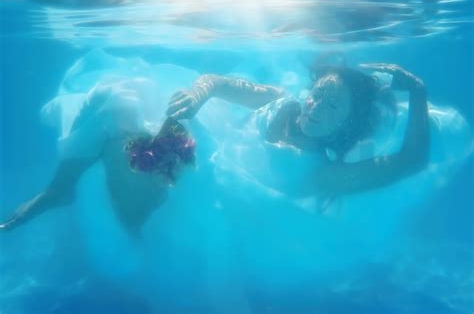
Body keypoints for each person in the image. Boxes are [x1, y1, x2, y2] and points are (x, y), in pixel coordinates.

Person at [166, 63, 430, 201]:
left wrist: (418, 91)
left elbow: (412, 161)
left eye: (333, 105)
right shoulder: (281, 101)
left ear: (347, 124)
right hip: (204, 165)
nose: (315, 108)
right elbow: (216, 81)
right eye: (317, 94)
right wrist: (195, 96)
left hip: (219, 198)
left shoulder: (324, 174)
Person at [0, 79, 196, 237]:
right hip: (115, 114)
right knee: (115, 119)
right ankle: (61, 189)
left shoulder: (166, 133)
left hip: (135, 118)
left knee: (119, 126)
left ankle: (61, 189)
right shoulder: (113, 119)